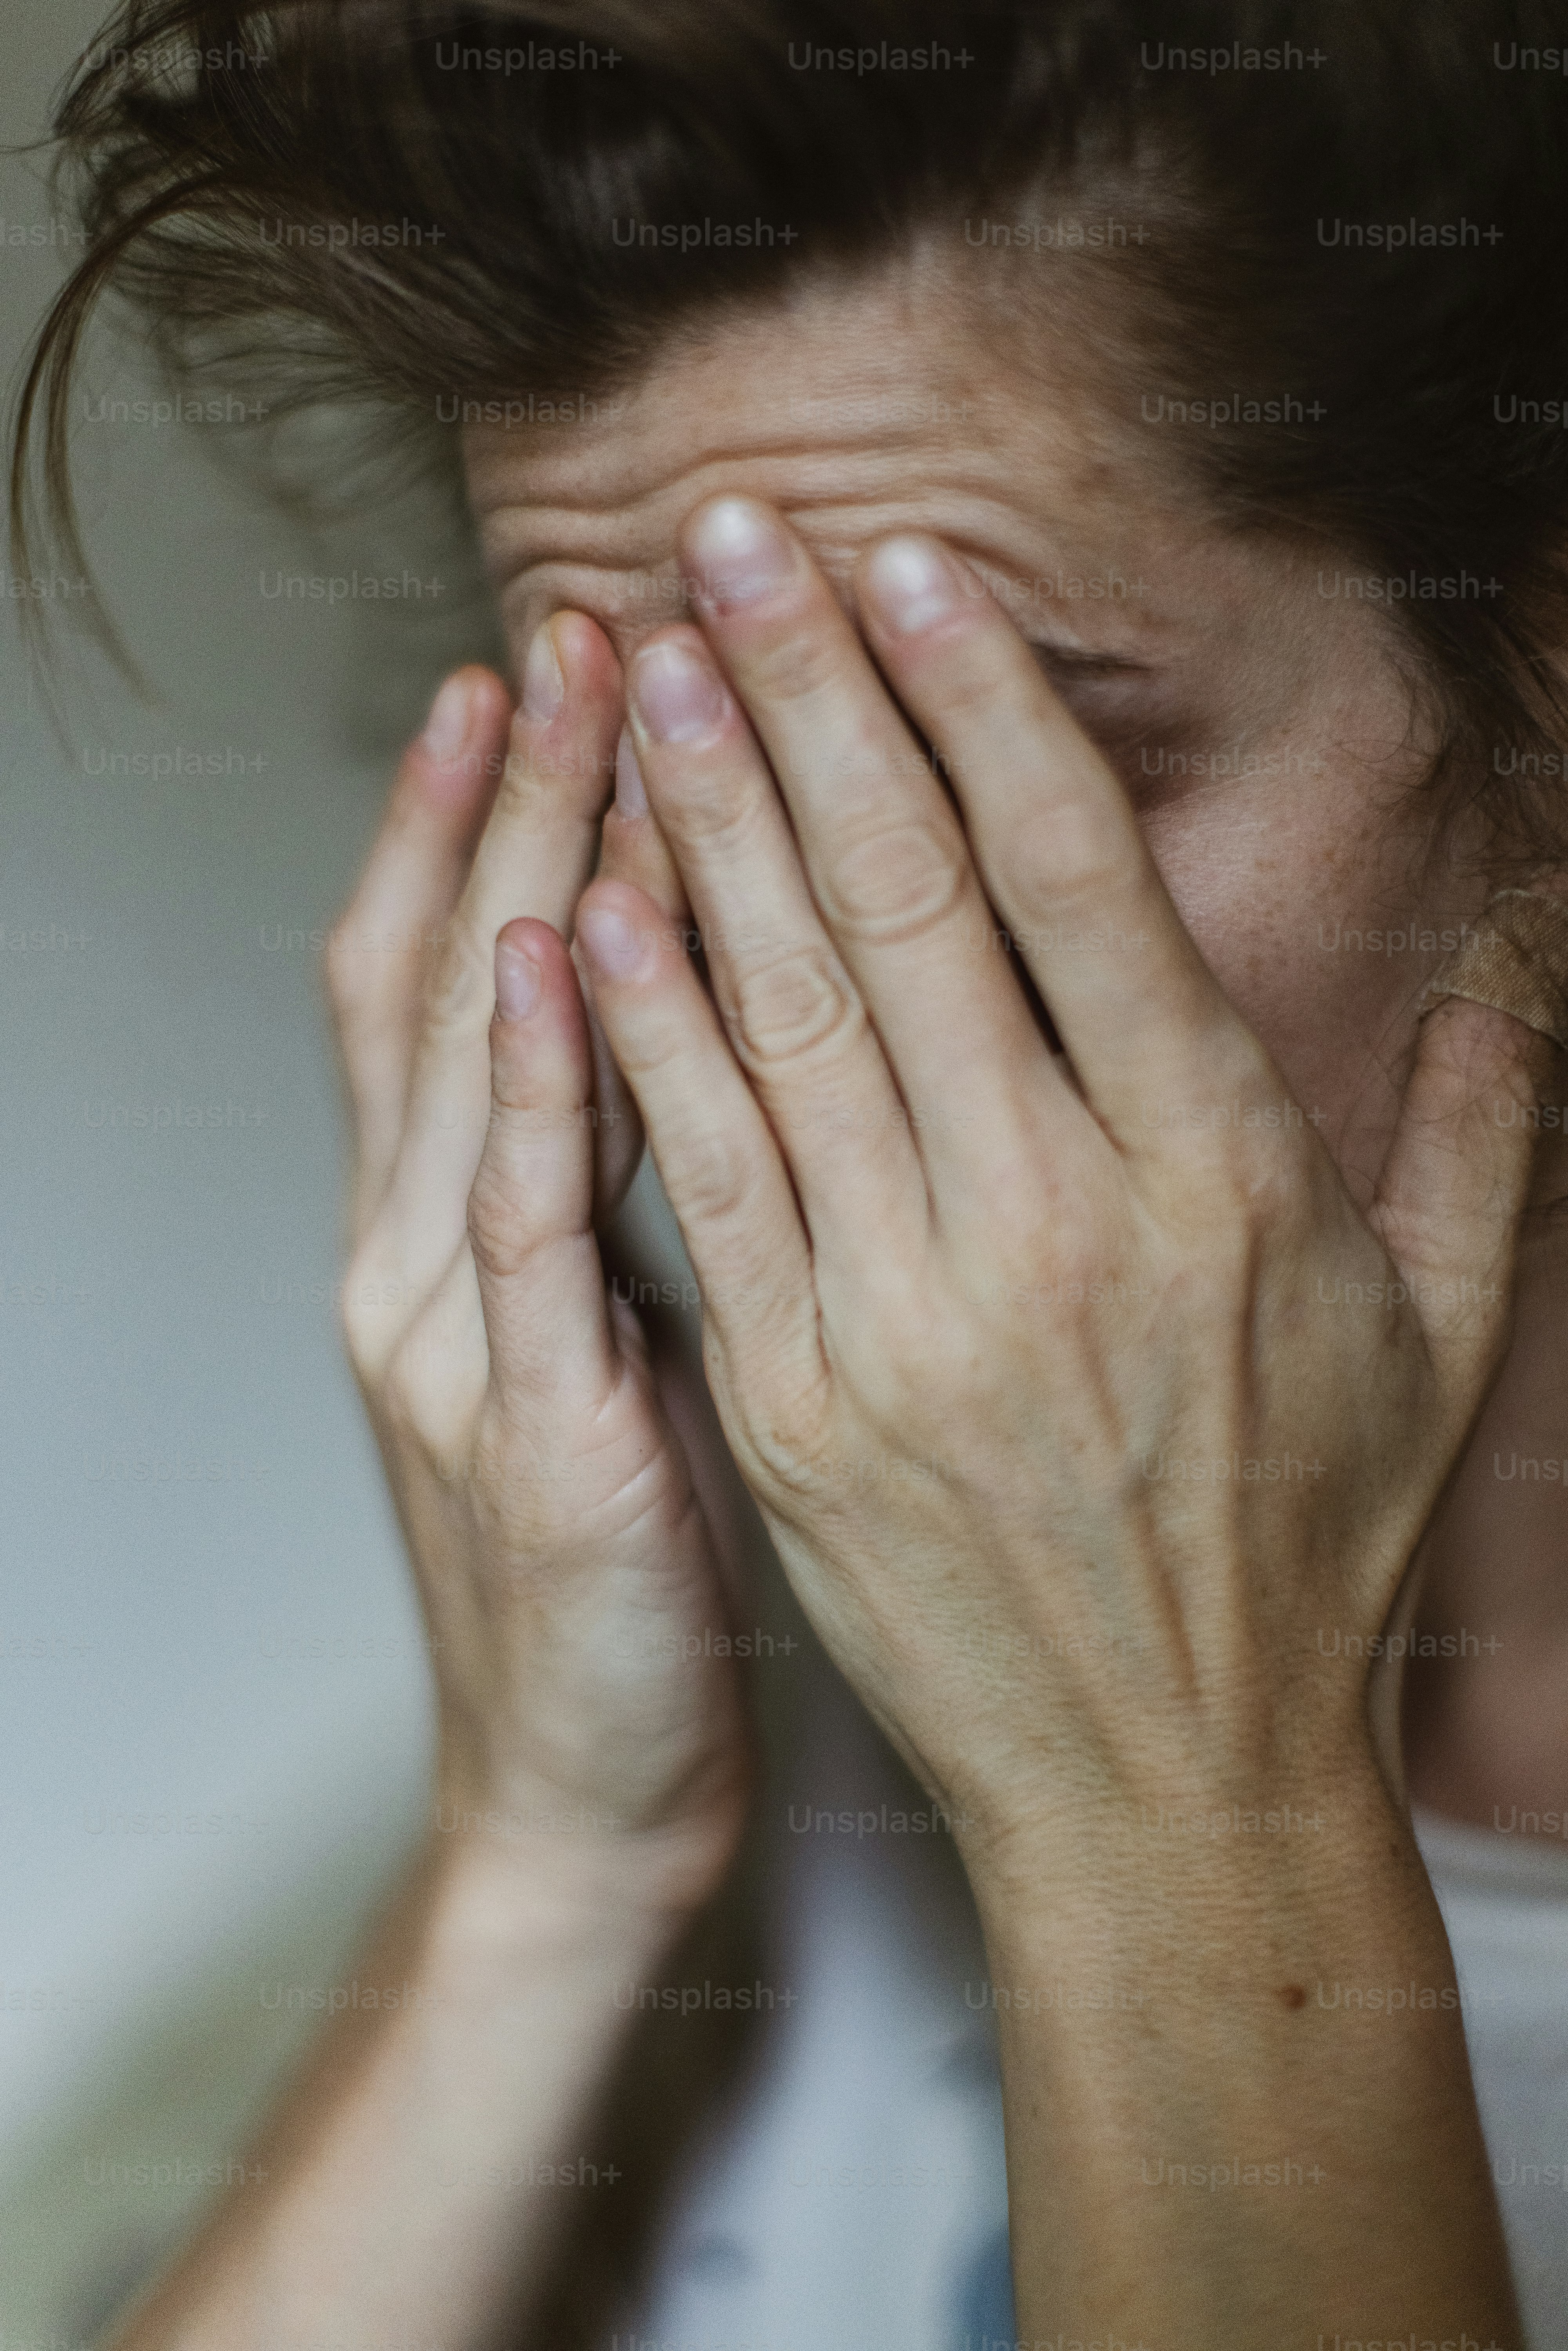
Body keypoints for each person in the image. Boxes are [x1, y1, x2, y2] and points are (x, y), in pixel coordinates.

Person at [14, 1, 1568, 2343]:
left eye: (989, 751)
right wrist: (539, 1861)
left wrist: (1171, 1814)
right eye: (676, 784)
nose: (796, 977)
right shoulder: (730, 1755)